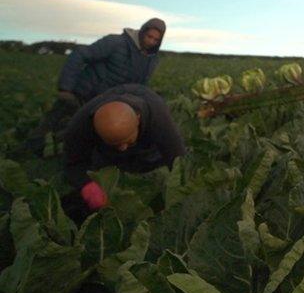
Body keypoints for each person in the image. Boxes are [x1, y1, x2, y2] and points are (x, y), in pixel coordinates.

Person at [27, 18, 167, 155]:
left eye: (156, 40)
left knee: (77, 135)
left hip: (105, 104)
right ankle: (23, 152)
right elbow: (80, 54)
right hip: (82, 94)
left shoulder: (151, 60)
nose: (151, 42)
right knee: (50, 125)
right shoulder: (116, 42)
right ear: (142, 31)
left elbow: (139, 86)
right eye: (150, 36)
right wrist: (66, 88)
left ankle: (53, 155)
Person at [62, 83, 186, 213]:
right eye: (115, 143)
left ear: (138, 119)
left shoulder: (158, 116)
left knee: (151, 166)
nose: (123, 148)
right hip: (107, 156)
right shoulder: (79, 125)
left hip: (148, 147)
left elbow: (179, 161)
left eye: (128, 141)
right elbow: (72, 163)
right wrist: (87, 186)